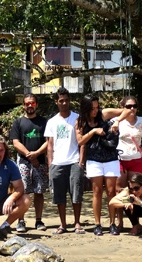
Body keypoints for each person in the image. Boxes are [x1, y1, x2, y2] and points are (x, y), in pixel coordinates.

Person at [76, 94, 127, 236]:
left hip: (110, 157)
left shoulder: (103, 114)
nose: (95, 111)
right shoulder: (80, 122)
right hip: (93, 158)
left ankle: (112, 223)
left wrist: (117, 122)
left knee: (111, 191)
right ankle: (97, 224)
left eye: (97, 107)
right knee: (97, 191)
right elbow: (80, 141)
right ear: (86, 108)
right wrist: (93, 131)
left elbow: (126, 111)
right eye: (92, 108)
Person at [45, 87, 84, 234]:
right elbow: (50, 145)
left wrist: (81, 162)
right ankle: (63, 224)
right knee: (59, 196)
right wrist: (50, 165)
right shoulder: (52, 122)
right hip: (57, 163)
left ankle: (77, 223)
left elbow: (82, 142)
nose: (64, 103)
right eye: (61, 100)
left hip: (74, 161)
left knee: (76, 194)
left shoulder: (77, 118)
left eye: (66, 100)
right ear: (57, 102)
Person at [9, 93, 48, 232]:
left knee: (39, 191)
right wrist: (29, 155)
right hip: (23, 162)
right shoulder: (18, 122)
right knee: (21, 191)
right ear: (23, 105)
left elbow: (48, 141)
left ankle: (38, 220)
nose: (30, 106)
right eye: (27, 103)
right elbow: (15, 142)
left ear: (36, 104)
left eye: (32, 103)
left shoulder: (44, 122)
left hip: (41, 161)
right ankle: (21, 221)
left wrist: (37, 154)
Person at [115, 96, 142, 230]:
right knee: (120, 191)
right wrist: (119, 118)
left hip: (136, 159)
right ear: (122, 107)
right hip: (120, 159)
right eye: (128, 106)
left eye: (134, 106)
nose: (132, 109)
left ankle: (135, 222)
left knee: (136, 191)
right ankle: (120, 222)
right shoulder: (117, 121)